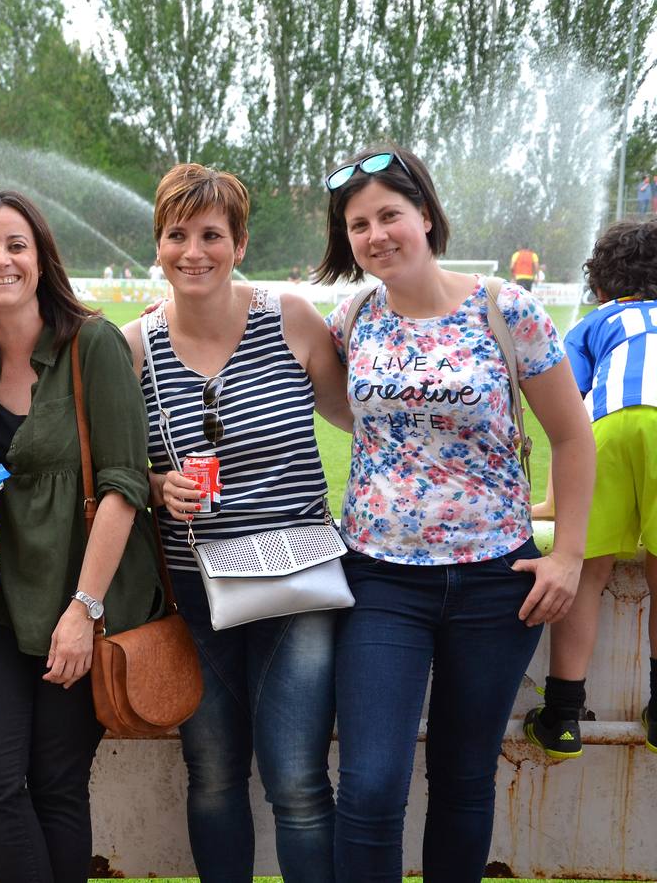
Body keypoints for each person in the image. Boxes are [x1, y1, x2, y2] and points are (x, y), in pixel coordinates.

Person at [318, 146, 594, 882]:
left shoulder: (506, 309)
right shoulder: (352, 319)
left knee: (464, 779)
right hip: (380, 581)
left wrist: (567, 555)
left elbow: (572, 437)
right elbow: (348, 412)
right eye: (358, 224)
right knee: (371, 782)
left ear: (427, 217)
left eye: (390, 215)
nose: (376, 235)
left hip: (495, 580)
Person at [120, 163, 349, 883]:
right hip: (194, 595)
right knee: (213, 775)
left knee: (297, 782)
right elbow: (118, 474)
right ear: (157, 245)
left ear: (239, 243)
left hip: (298, 584)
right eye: (176, 234)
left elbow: (365, 424)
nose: (194, 251)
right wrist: (160, 486)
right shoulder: (133, 348)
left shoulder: (290, 319)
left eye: (212, 234)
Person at [0, 189, 163, 882]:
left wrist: (84, 609)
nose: (1, 260)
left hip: (80, 602)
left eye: (16, 245)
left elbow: (126, 485)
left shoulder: (90, 345)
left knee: (56, 783)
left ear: (42, 257)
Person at [525, 217, 657, 759]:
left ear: (600, 284)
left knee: (587, 568)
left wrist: (555, 506)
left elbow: (567, 423)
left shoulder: (595, 321)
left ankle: (561, 716)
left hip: (610, 423)